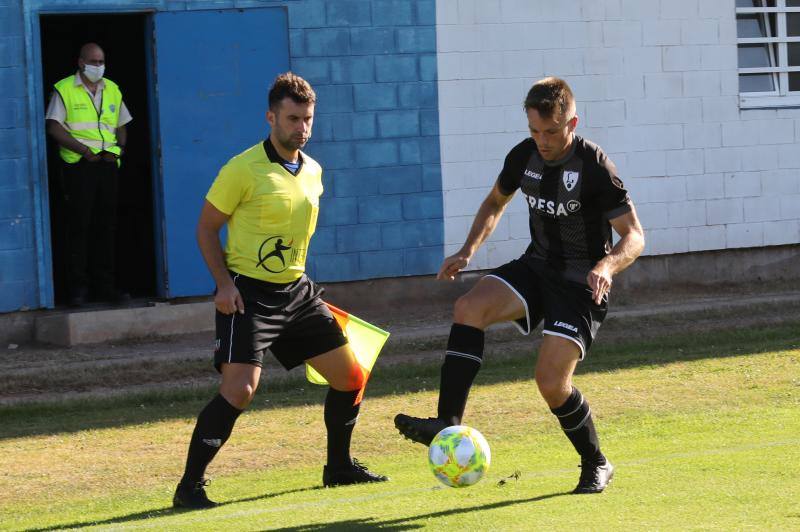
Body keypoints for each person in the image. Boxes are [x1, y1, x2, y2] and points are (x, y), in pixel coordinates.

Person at [394, 77, 645, 494]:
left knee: (550, 383)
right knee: (468, 308)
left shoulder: (595, 167)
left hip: (581, 282)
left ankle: (595, 461)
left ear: (572, 123)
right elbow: (495, 202)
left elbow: (635, 235)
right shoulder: (523, 157)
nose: (542, 141)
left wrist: (607, 265)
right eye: (534, 130)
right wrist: (467, 250)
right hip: (537, 267)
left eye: (550, 131)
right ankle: (448, 422)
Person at [173, 72, 388, 510]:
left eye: (308, 119)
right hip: (248, 295)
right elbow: (206, 228)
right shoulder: (242, 168)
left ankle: (339, 468)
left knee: (351, 377)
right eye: (292, 118)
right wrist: (223, 284)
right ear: (271, 117)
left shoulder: (314, 171)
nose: (302, 128)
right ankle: (189, 487)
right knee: (240, 391)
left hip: (298, 293)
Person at [45, 42, 132, 306]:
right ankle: (78, 290)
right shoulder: (64, 89)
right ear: (81, 63)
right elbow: (53, 127)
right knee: (79, 227)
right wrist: (83, 150)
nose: (99, 66)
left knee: (106, 227)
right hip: (79, 166)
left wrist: (119, 149)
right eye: (94, 61)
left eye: (101, 61)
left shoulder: (113, 89)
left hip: (107, 165)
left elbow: (122, 125)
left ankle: (106, 287)